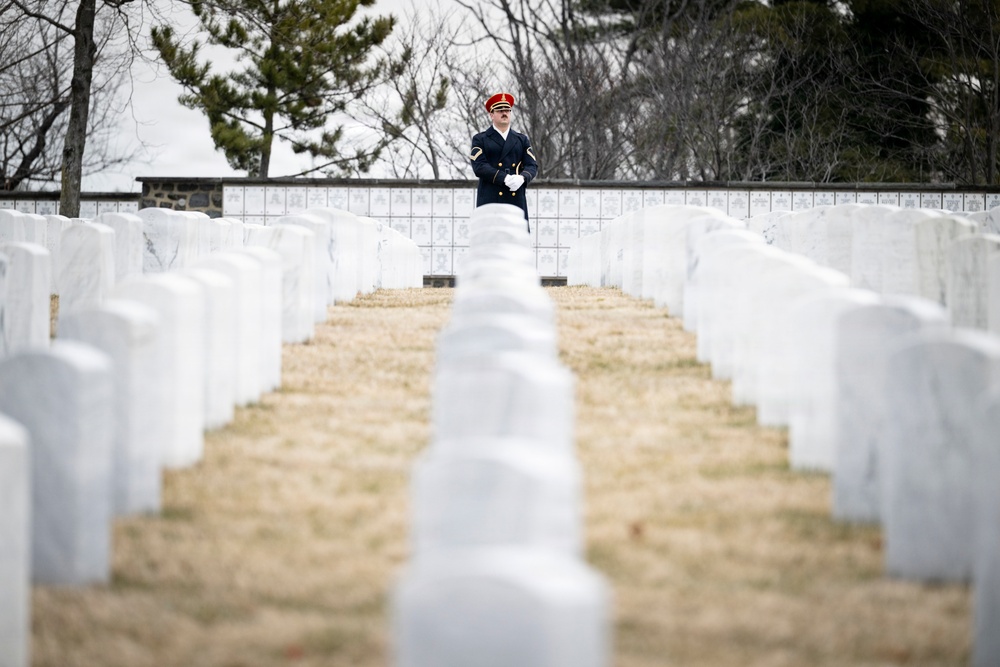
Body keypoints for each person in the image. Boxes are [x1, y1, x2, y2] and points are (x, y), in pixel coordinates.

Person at [469, 92, 538, 231]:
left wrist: (522, 178)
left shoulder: (521, 139)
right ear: (491, 115)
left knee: (517, 238)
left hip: (515, 197)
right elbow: (479, 166)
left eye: (507, 110)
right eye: (500, 110)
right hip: (490, 197)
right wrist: (504, 178)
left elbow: (532, 165)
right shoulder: (480, 139)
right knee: (490, 238)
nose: (504, 113)